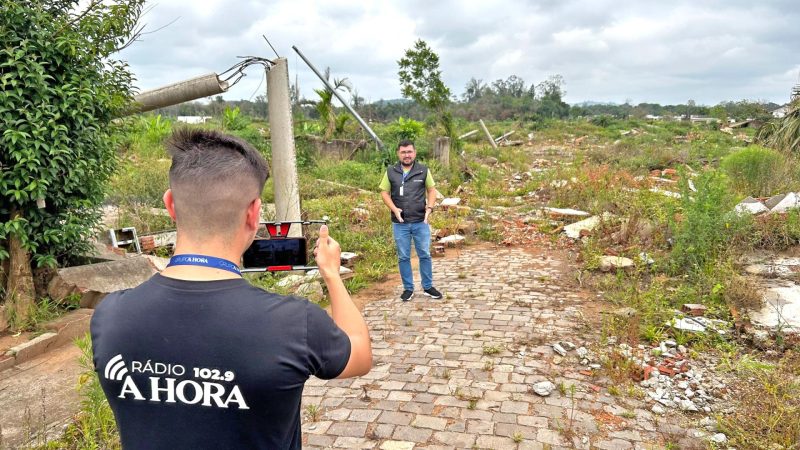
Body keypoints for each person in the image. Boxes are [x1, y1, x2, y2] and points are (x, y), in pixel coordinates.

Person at [91, 129, 372, 449]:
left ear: (170, 204)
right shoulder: (294, 322)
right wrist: (332, 275)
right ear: (254, 213)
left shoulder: (110, 316)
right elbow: (359, 353)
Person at [379, 139, 443, 301]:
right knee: (403, 256)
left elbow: (432, 190)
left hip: (421, 221)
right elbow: (384, 193)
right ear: (398, 154)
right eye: (403, 152)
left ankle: (428, 287)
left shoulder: (423, 171)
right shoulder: (391, 171)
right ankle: (408, 288)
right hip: (400, 223)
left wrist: (429, 209)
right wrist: (394, 209)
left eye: (409, 152)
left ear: (414, 153)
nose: (406, 155)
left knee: (424, 254)